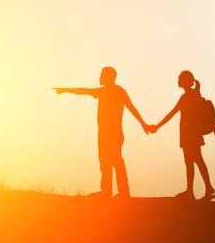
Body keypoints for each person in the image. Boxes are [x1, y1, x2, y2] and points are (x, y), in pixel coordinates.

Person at [53, 67, 150, 198]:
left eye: (102, 75)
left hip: (113, 133)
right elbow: (84, 91)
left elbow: (131, 108)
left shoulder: (116, 91)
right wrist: (66, 90)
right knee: (105, 162)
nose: (99, 77)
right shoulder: (105, 91)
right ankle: (107, 191)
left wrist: (143, 123)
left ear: (109, 77)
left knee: (115, 161)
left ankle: (122, 192)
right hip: (104, 133)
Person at [148, 70, 215, 200]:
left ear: (186, 81)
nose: (178, 81)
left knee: (197, 161)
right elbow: (172, 114)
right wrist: (157, 126)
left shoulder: (193, 95)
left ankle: (206, 188)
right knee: (190, 162)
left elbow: (203, 112)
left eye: (180, 79)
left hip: (192, 134)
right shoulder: (186, 97)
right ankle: (191, 191)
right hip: (186, 134)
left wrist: (214, 126)